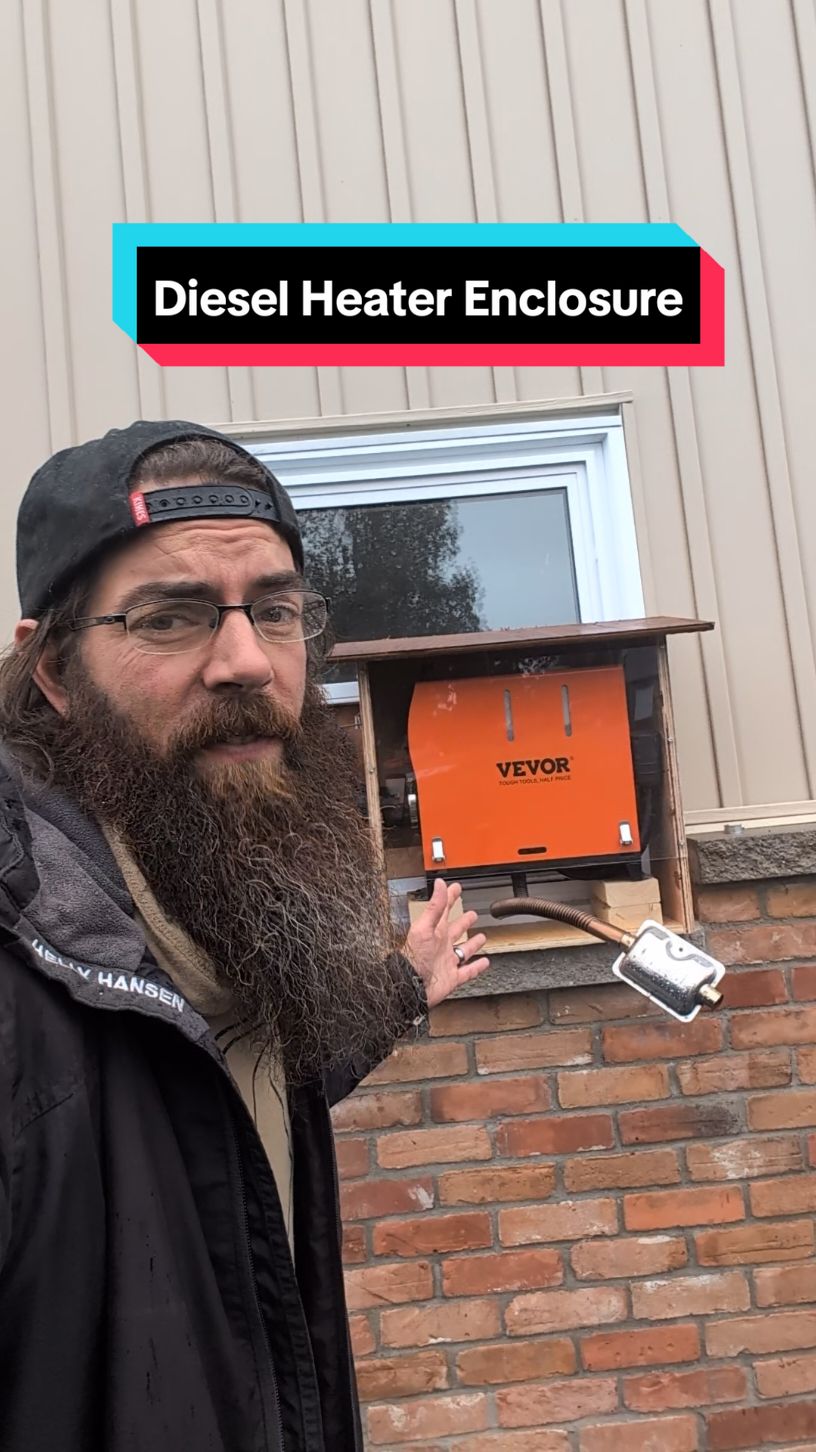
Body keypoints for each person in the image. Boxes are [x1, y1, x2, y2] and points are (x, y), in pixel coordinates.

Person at [0, 420, 491, 1452]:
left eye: (275, 610)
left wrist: (398, 987)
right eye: (172, 618)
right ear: (49, 670)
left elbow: (225, 1078)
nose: (247, 661)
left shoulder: (203, 890)